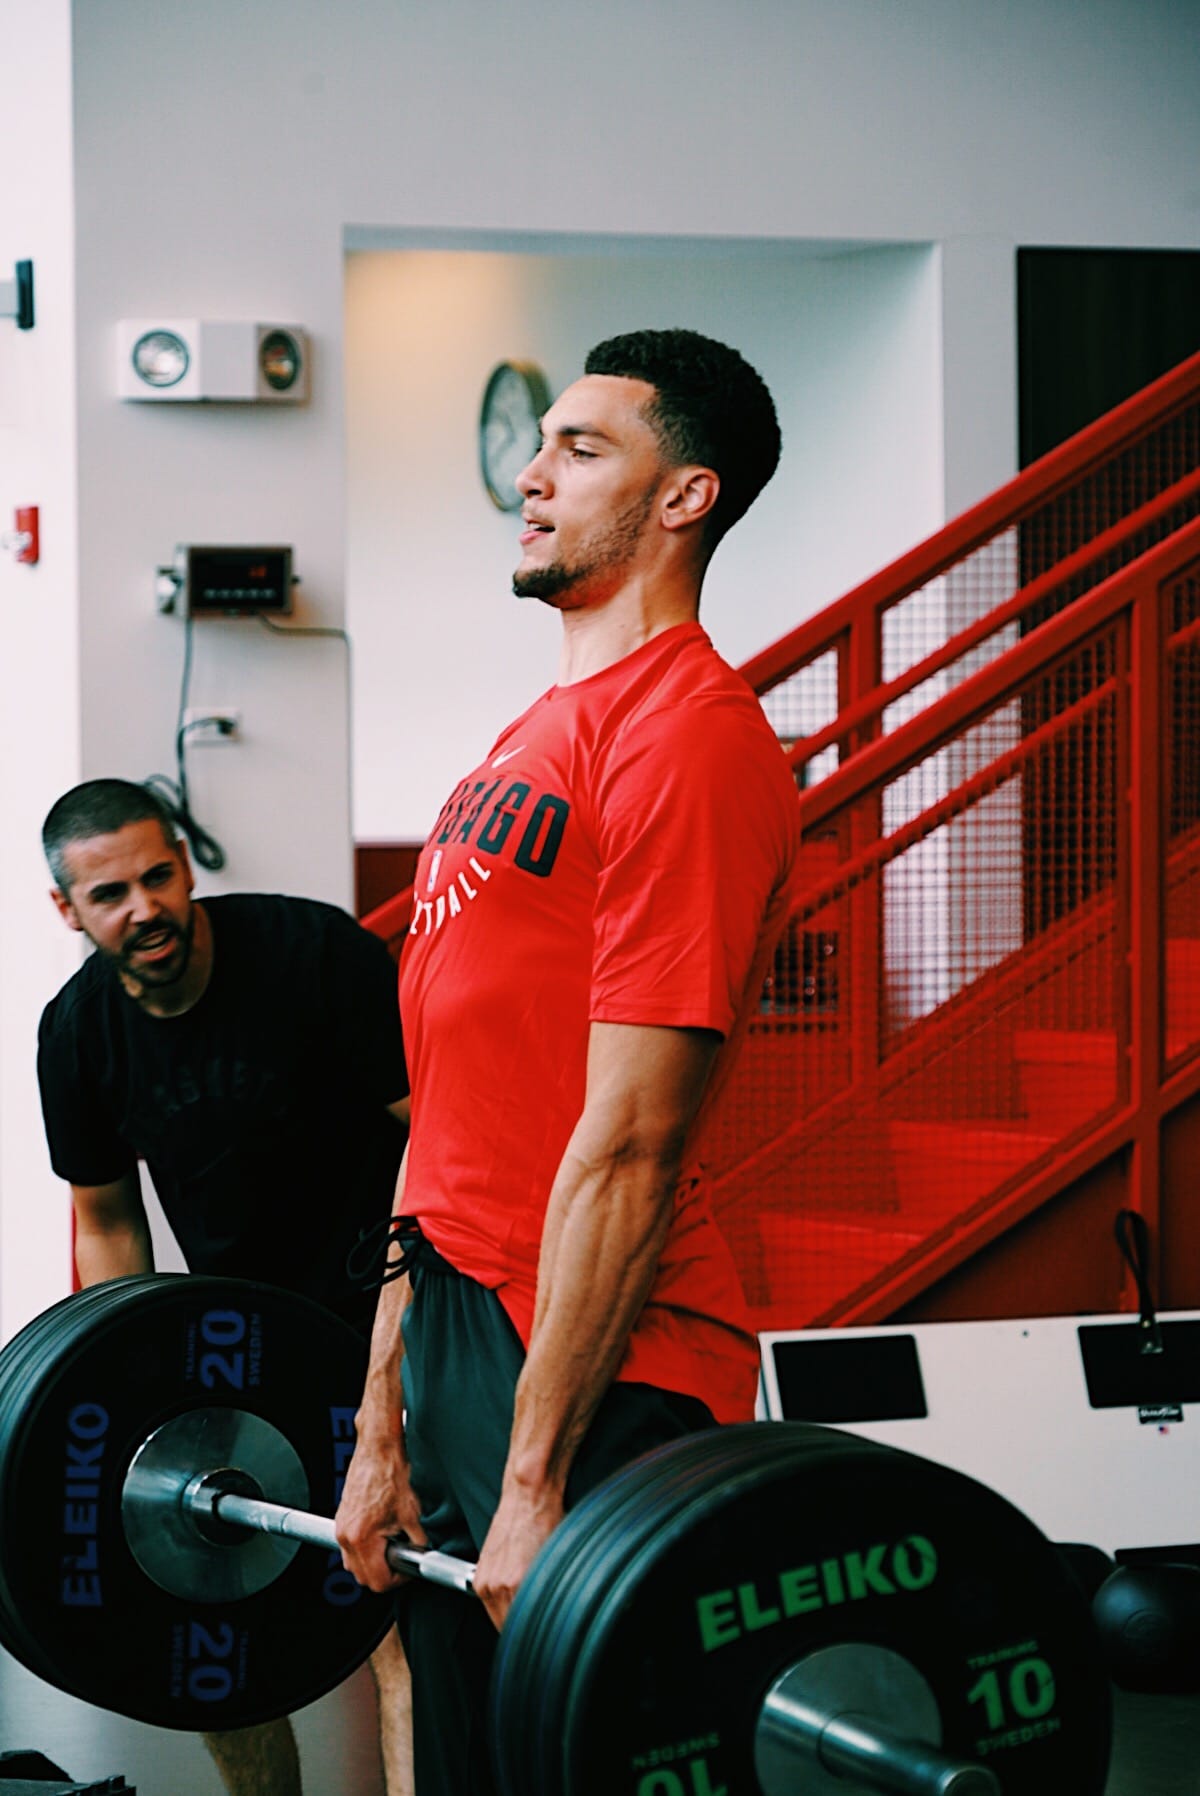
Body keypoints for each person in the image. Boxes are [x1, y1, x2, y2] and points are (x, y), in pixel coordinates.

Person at [335, 327, 803, 1794]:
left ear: (686, 497)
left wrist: (536, 1480)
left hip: (596, 1358)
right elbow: (447, 1116)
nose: (531, 477)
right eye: (540, 448)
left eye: (581, 449)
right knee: (467, 1753)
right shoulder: (540, 726)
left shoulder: (691, 741)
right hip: (467, 1317)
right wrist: (379, 1418)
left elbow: (635, 1143)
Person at [36, 777, 415, 1796]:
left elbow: (432, 1126)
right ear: (68, 910)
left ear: (186, 866)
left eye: (158, 875)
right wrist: (135, 1380)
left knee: (389, 1600)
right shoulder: (76, 1034)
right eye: (110, 891)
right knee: (214, 1610)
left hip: (389, 1312)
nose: (144, 906)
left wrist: (431, 1313)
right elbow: (109, 1222)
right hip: (242, 1339)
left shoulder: (313, 956)